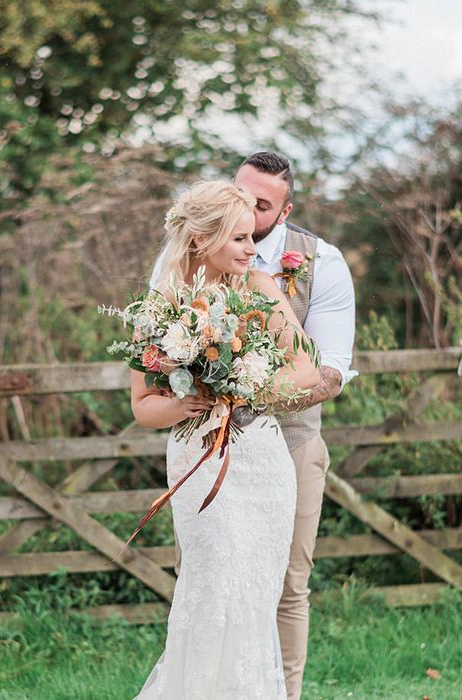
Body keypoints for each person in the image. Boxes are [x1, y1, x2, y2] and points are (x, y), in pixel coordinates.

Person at [132, 180, 320, 699]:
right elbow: (143, 408)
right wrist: (183, 403)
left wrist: (247, 383)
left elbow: (304, 370)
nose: (251, 248)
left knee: (254, 599)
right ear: (201, 240)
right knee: (212, 588)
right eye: (238, 238)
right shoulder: (160, 308)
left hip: (262, 459)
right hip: (199, 461)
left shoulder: (261, 288)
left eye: (250, 236)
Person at [234, 152, 357, 700]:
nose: (247, 210)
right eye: (241, 194)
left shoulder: (320, 262)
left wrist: (253, 393)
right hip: (212, 450)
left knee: (288, 586)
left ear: (285, 211)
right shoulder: (189, 252)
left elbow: (329, 375)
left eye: (261, 205)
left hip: (294, 443)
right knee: (215, 583)